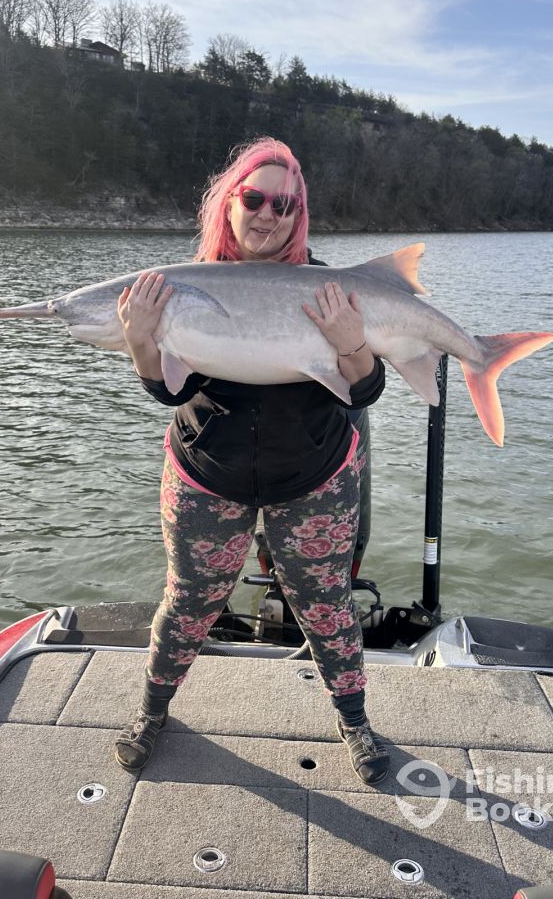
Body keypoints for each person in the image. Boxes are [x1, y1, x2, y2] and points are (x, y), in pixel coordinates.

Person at [113, 137, 390, 784]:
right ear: (229, 203)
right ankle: (151, 713)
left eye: (284, 205)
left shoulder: (329, 289)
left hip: (314, 475)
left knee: (327, 606)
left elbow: (365, 392)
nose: (269, 214)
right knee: (188, 602)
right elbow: (172, 391)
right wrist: (141, 344)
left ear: (299, 216)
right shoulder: (182, 285)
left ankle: (355, 721)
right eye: (256, 198)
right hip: (207, 473)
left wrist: (354, 346)